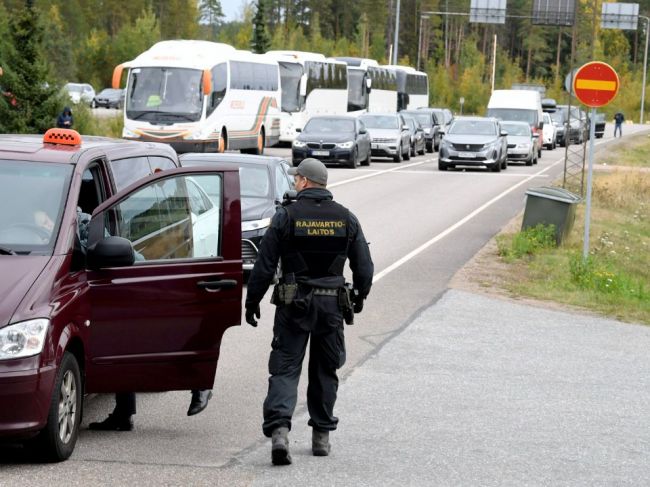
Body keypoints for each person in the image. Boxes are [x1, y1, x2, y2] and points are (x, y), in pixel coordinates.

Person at [245, 158, 374, 465]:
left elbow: (264, 265)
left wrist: (252, 302)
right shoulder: (346, 218)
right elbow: (364, 267)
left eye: (296, 178)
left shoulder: (285, 217)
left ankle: (279, 432)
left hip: (294, 305)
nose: (294, 182)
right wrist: (359, 296)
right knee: (325, 370)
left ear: (304, 182)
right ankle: (321, 437)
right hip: (331, 307)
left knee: (285, 369)